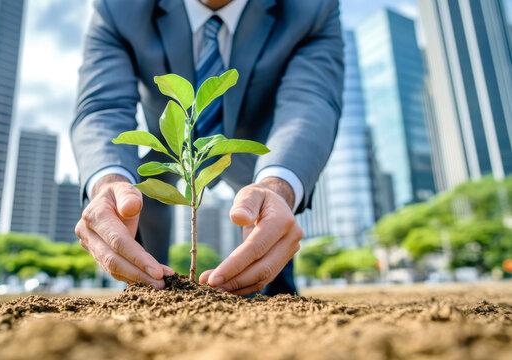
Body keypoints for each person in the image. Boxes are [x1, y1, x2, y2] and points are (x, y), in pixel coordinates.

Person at [72, 0, 343, 296]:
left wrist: (278, 186)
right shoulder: (118, 7)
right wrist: (108, 182)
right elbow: (102, 106)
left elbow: (310, 102)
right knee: (133, 211)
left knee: (267, 223)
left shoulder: (313, 7)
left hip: (251, 149)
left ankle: (278, 287)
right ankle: (146, 289)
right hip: (170, 145)